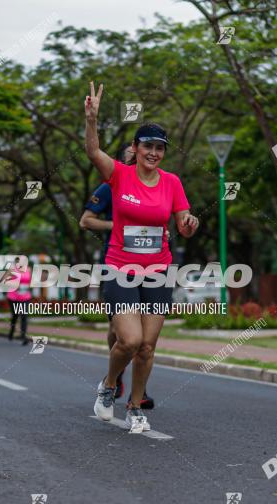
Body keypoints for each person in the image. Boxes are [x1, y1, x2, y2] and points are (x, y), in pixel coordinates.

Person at [84, 81, 199, 433]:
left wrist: (190, 223)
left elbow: (183, 223)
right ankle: (108, 385)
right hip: (120, 267)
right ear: (135, 148)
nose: (153, 152)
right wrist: (91, 120)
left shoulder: (172, 182)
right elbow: (93, 152)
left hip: (159, 271)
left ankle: (135, 406)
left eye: (159, 147)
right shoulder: (119, 176)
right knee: (129, 340)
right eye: (147, 145)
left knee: (147, 347)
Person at [79, 143, 155, 409]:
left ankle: (139, 391)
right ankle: (116, 376)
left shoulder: (157, 186)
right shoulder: (113, 184)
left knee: (145, 338)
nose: (138, 159)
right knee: (120, 331)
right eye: (131, 156)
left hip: (149, 266)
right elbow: (86, 220)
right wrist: (118, 225)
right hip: (117, 263)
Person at [5, 256, 32, 344]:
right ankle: (11, 332)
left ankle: (23, 336)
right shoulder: (12, 269)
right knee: (15, 315)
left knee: (24, 316)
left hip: (25, 297)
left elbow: (30, 282)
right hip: (13, 297)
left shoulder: (28, 269)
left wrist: (29, 286)